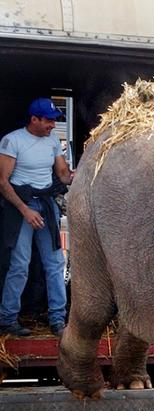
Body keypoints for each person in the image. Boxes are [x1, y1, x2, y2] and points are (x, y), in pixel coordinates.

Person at [0, 98, 73, 337]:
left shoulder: (52, 141)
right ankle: (8, 319)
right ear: (34, 119)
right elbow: (2, 182)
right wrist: (25, 210)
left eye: (54, 121)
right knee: (20, 264)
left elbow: (62, 174)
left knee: (55, 263)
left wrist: (84, 172)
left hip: (46, 203)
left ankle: (58, 320)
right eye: (49, 121)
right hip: (21, 205)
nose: (53, 125)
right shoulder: (12, 141)